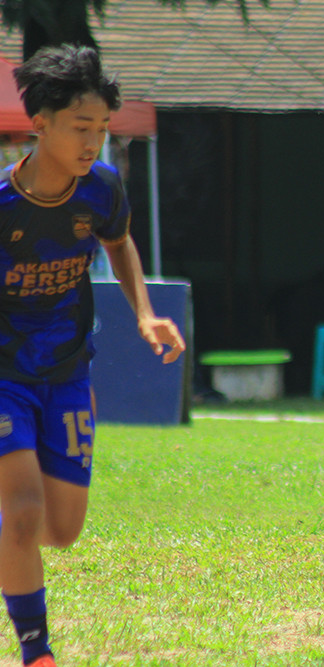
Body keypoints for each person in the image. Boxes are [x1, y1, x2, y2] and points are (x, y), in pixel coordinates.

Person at [0, 45, 186, 667]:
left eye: (102, 130)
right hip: (5, 379)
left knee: (62, 529)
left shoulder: (101, 189)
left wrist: (143, 312)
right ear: (42, 123)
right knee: (23, 515)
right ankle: (37, 654)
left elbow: (120, 242)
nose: (93, 144)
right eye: (82, 128)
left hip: (70, 374)